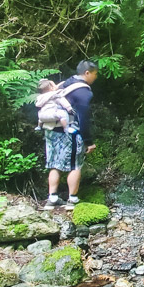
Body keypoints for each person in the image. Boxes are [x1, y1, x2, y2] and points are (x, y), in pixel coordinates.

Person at [43, 60, 98, 209]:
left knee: (54, 164)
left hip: (52, 129)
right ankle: (72, 199)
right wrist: (88, 141)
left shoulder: (67, 83)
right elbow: (83, 118)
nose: (96, 77)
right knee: (75, 165)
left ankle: (52, 198)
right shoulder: (83, 92)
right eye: (95, 74)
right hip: (70, 132)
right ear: (87, 73)